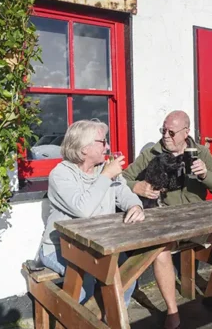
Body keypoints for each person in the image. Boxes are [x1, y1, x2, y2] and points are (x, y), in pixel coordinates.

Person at [123, 110, 212, 329]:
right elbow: (123, 179)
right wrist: (138, 187)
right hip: (166, 225)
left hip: (198, 224)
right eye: (163, 130)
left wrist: (205, 175)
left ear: (186, 132)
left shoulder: (199, 152)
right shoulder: (152, 154)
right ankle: (173, 313)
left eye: (171, 132)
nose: (166, 136)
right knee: (160, 251)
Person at [39, 119, 144, 307]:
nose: (108, 146)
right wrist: (106, 176)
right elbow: (83, 209)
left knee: (127, 276)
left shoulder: (105, 169)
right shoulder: (61, 174)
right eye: (103, 142)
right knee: (84, 285)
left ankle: (110, 322)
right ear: (83, 148)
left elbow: (125, 194)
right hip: (62, 248)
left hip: (102, 245)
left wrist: (135, 206)